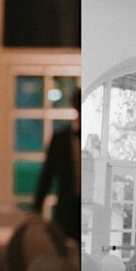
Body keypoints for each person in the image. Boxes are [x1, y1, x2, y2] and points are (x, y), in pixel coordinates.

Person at [33, 88, 81, 241]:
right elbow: (48, 174)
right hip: (66, 209)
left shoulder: (97, 139)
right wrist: (36, 207)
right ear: (75, 106)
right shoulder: (61, 139)